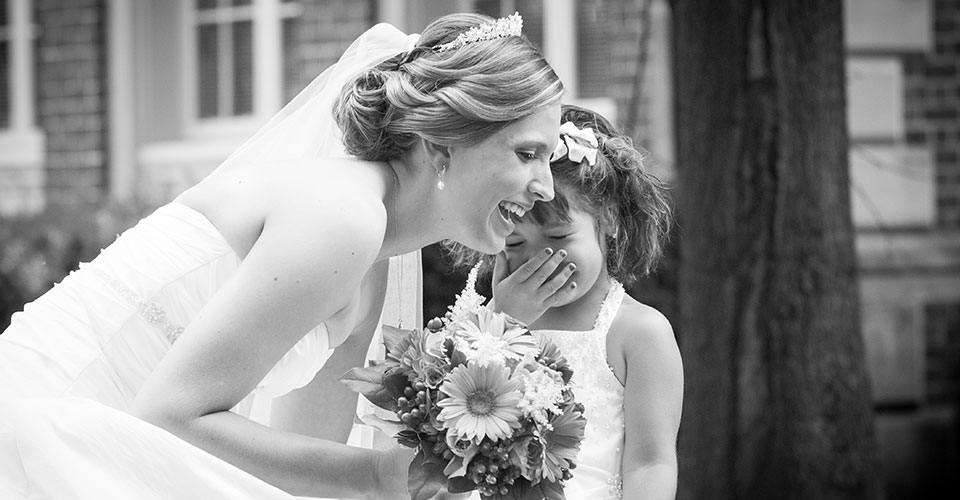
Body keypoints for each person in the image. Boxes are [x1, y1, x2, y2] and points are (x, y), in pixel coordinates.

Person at [0, 12, 562, 500]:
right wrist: (378, 474)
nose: (547, 188)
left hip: (119, 446)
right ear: (442, 145)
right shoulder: (342, 216)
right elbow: (168, 417)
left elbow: (304, 465)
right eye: (527, 154)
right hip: (49, 422)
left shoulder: (376, 259)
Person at [449, 105, 682, 499]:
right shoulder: (487, 322)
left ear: (606, 219)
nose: (541, 259)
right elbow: (450, 426)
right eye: (517, 243)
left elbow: (651, 462)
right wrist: (503, 324)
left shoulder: (637, 332)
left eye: (558, 238)